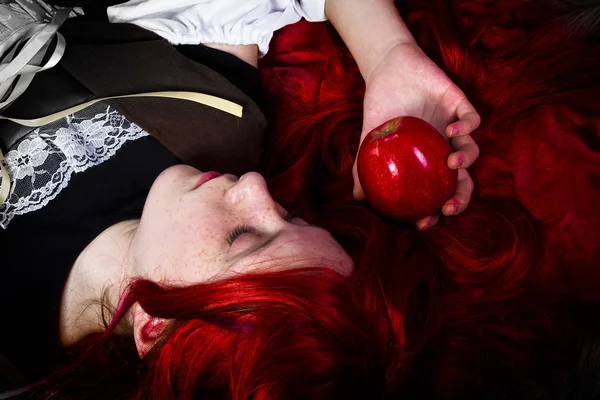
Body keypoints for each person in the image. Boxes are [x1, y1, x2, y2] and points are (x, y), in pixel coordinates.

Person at [0, 0, 480, 398]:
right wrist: (387, 54)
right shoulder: (213, 116)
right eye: (291, 215)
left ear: (155, 327)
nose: (255, 185)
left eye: (243, 237)